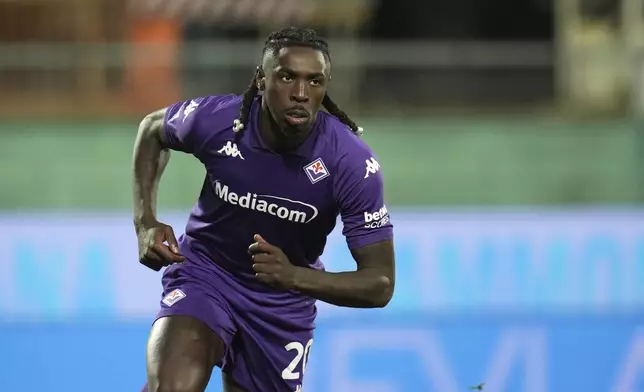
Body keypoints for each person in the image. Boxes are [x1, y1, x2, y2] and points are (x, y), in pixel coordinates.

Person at [132, 26, 395, 392]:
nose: (301, 94)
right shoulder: (218, 121)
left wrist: (293, 278)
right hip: (206, 275)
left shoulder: (350, 162)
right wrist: (145, 221)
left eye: (314, 82)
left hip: (281, 306)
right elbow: (152, 130)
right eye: (287, 77)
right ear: (261, 79)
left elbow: (380, 284)